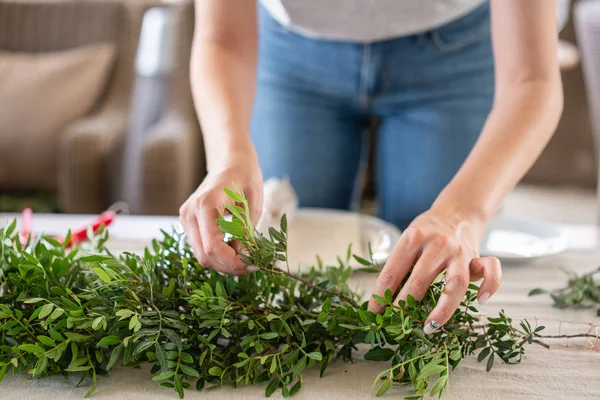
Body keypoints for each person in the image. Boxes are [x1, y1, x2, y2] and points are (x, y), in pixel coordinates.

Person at [179, 0, 562, 334]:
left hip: (454, 48)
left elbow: (533, 78)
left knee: (426, 274)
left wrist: (463, 213)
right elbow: (223, 38)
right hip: (290, 47)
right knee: (276, 267)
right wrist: (229, 155)